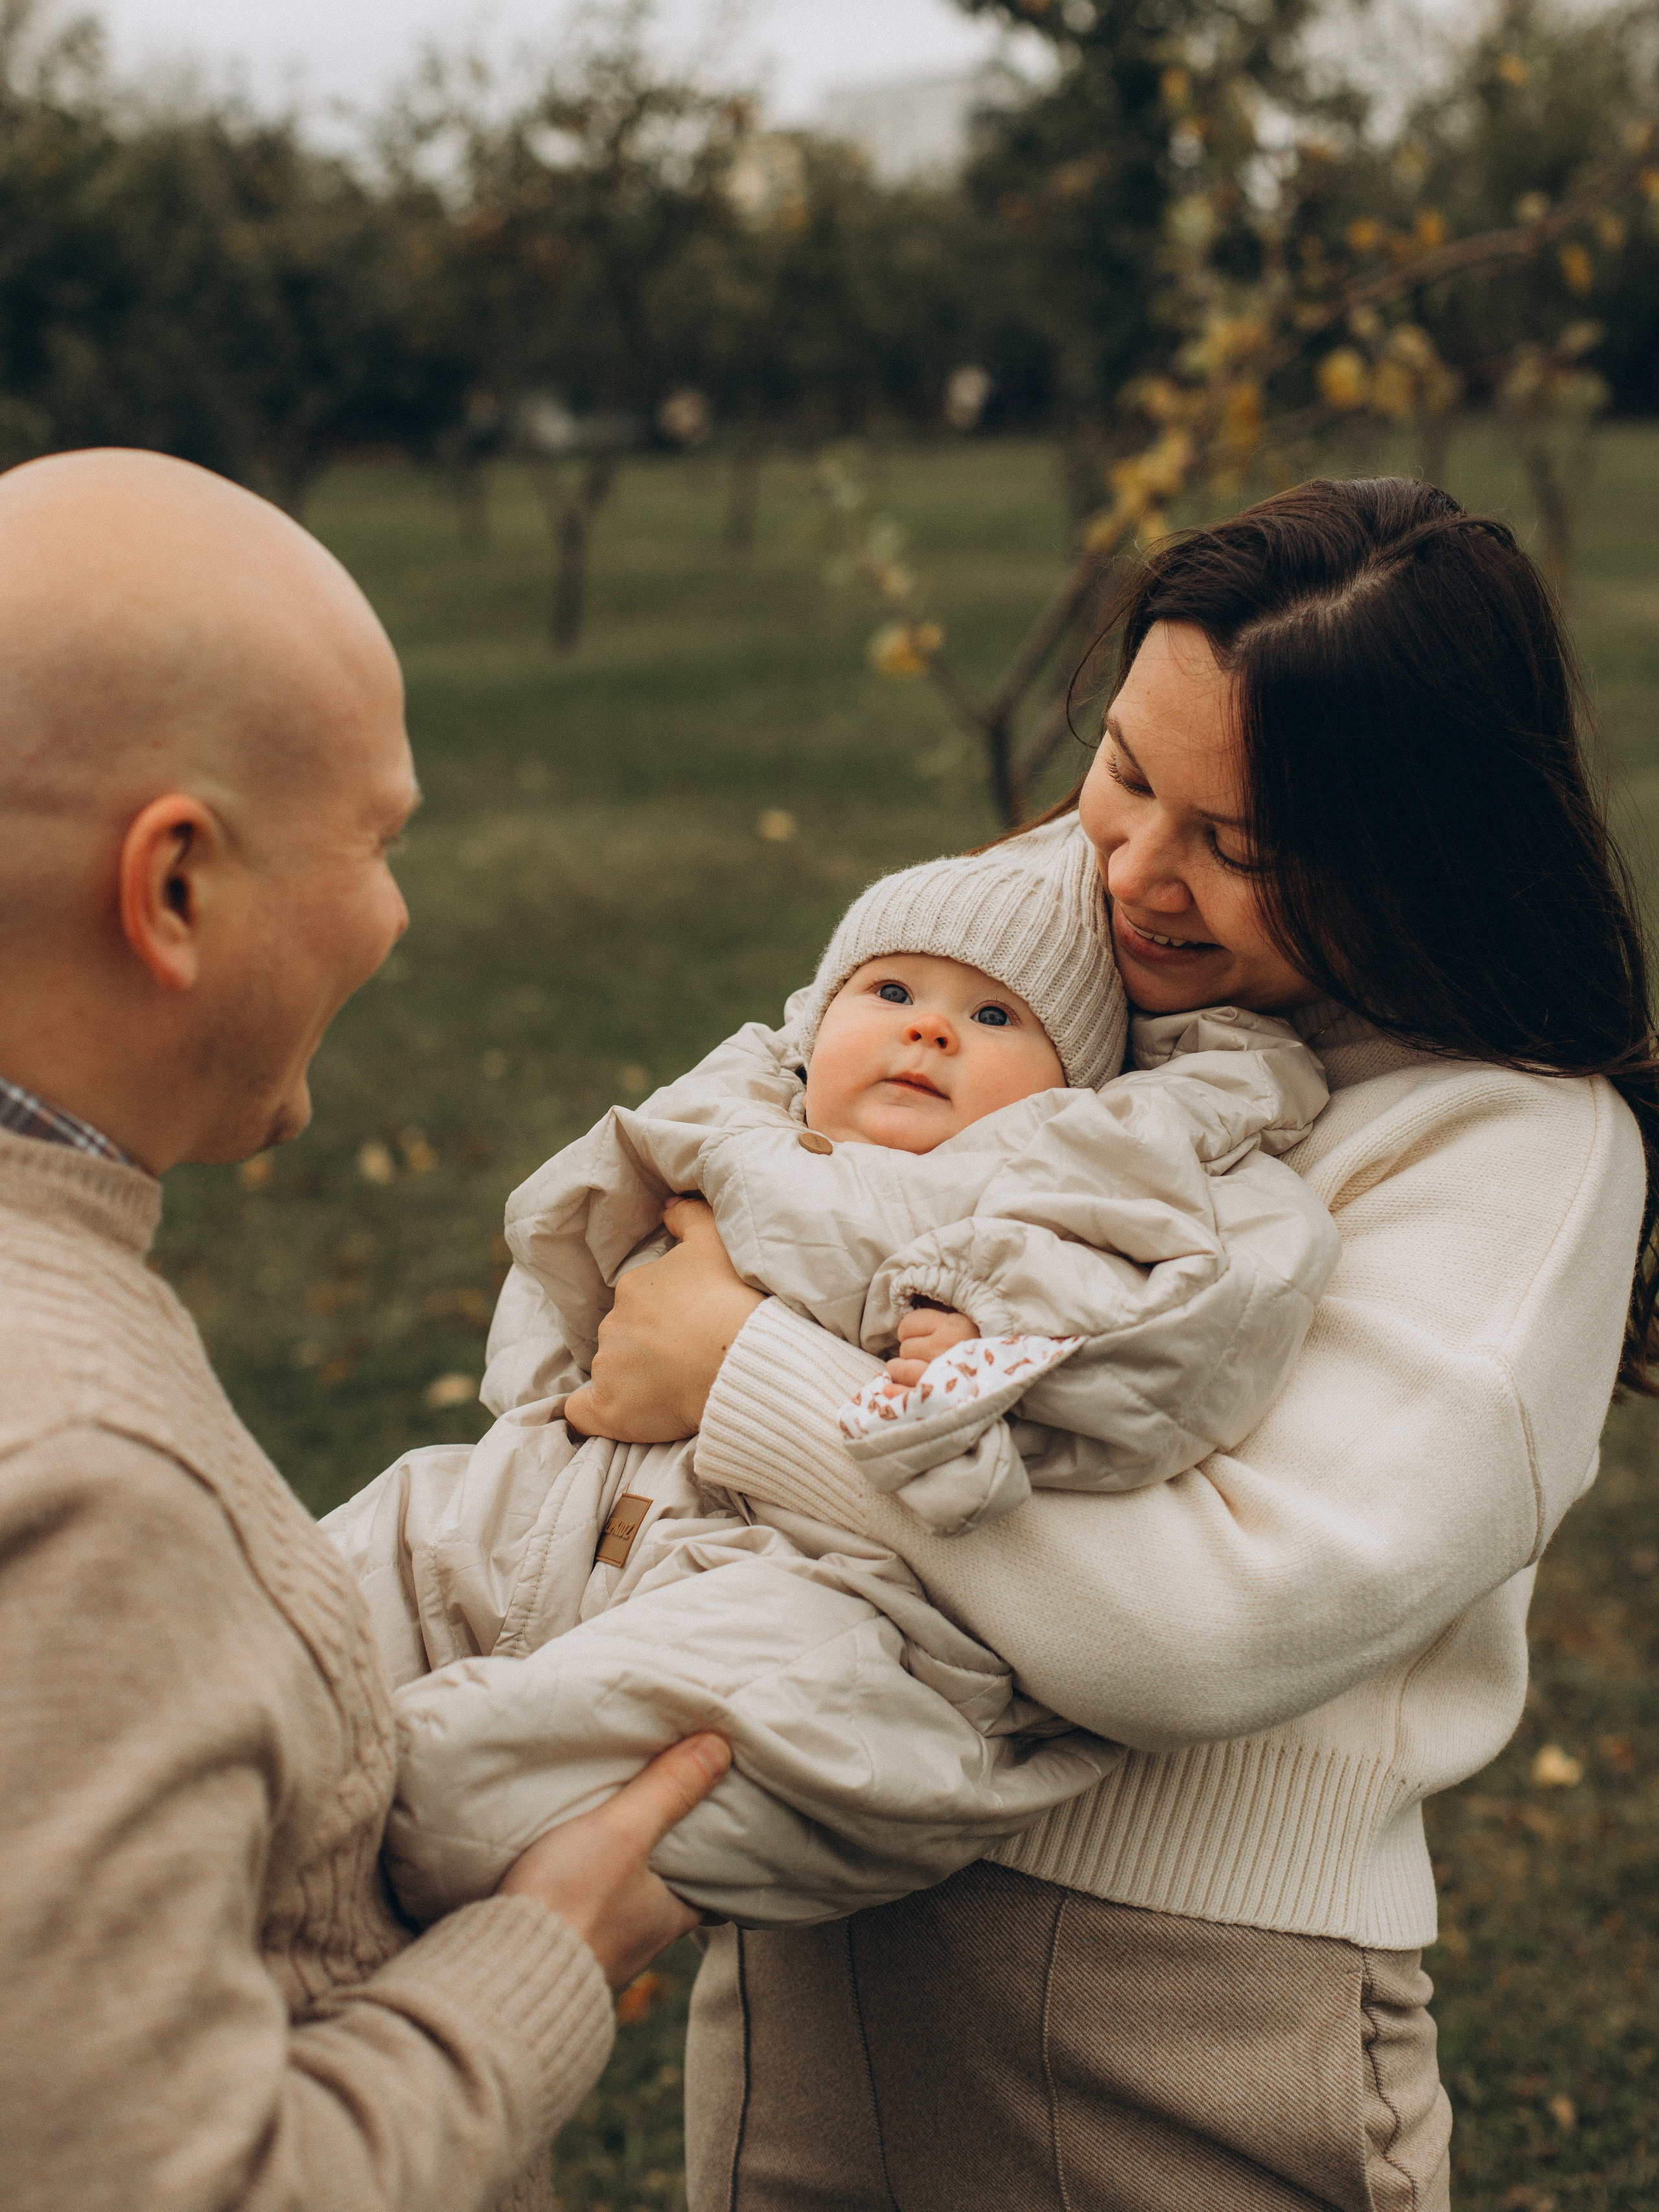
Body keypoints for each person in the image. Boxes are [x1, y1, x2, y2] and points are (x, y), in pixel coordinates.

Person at [566, 478, 1653, 2210]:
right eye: (1126, 771)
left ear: (1418, 845)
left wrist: (748, 1373)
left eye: (1245, 845)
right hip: (822, 1932)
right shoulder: (1053, 967)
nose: (1135, 872)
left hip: (1182, 2014)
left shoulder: (1507, 1149)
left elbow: (1201, 1628)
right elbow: (752, 1173)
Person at [0, 447, 731, 2212]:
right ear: (174, 889)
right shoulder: (87, 1482)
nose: (398, 912)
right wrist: (551, 1951)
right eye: (378, 841)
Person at [327, 831, 1335, 1927]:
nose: (930, 1028)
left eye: (996, 1016)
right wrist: (553, 1392)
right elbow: (572, 1245)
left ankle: (403, 1810)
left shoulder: (1062, 1193)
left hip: (833, 1588)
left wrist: (997, 1347)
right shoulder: (742, 1120)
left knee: (578, 1743)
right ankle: (254, 1723)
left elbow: (1185, 1341)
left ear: (1070, 1088)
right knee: (389, 1537)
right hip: (585, 1504)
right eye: (891, 990)